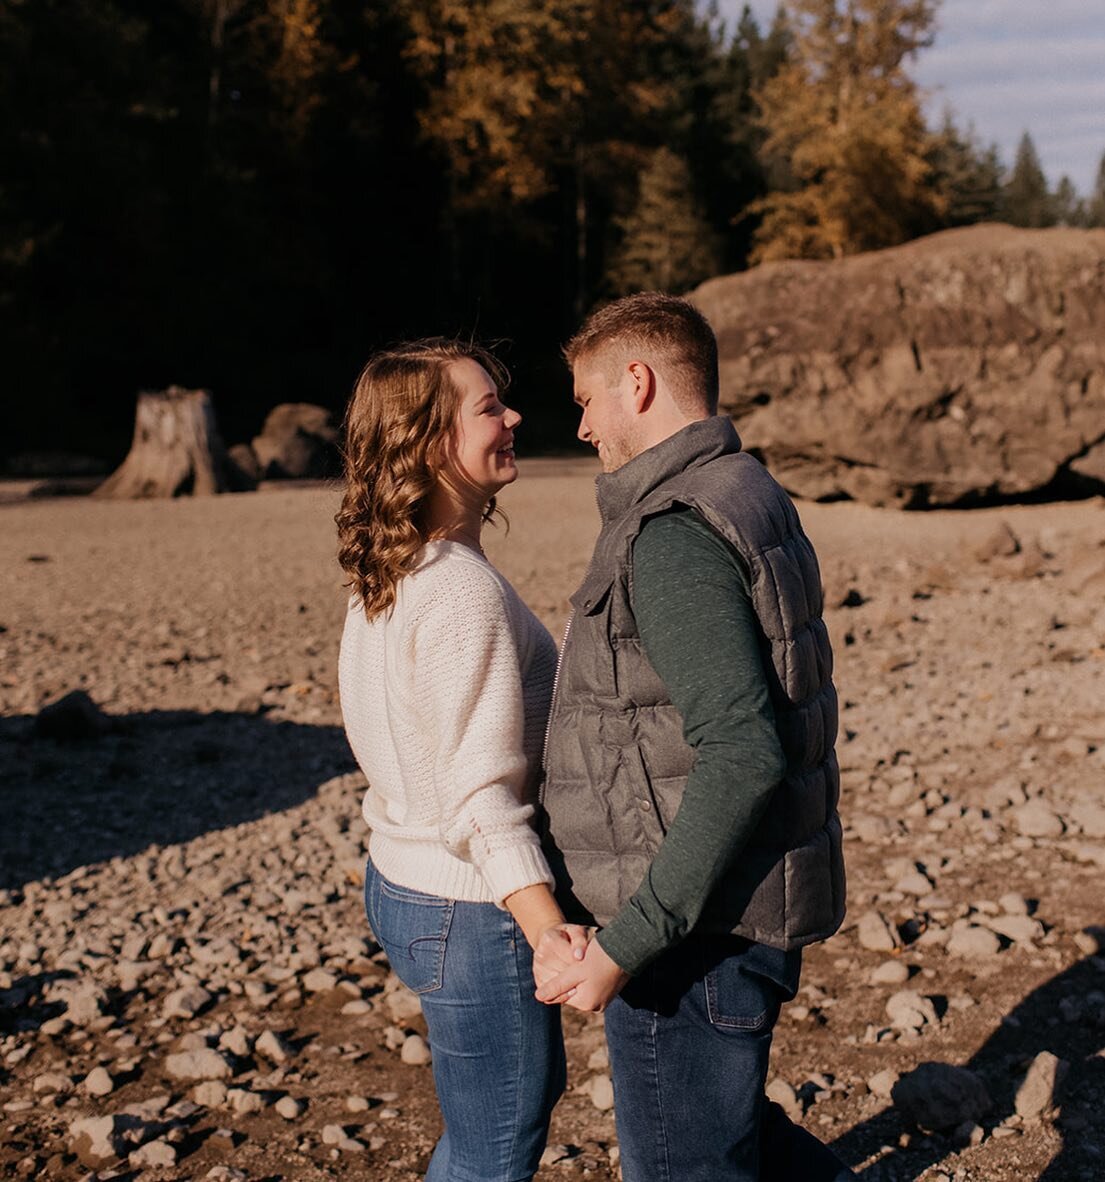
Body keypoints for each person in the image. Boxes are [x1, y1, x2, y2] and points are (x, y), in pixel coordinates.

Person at [534, 294, 856, 1181]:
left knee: (687, 1162)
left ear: (635, 383)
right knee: (731, 1133)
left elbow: (742, 751)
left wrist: (621, 947)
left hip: (696, 933)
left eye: (585, 399)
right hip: (732, 908)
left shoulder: (673, 531)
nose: (584, 424)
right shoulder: (743, 486)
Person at [335, 338, 585, 1182]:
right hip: (469, 908)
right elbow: (480, 797)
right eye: (489, 408)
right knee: (497, 1144)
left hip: (402, 882)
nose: (513, 417)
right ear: (429, 442)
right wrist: (547, 930)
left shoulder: (393, 567)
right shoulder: (458, 591)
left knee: (489, 1127)